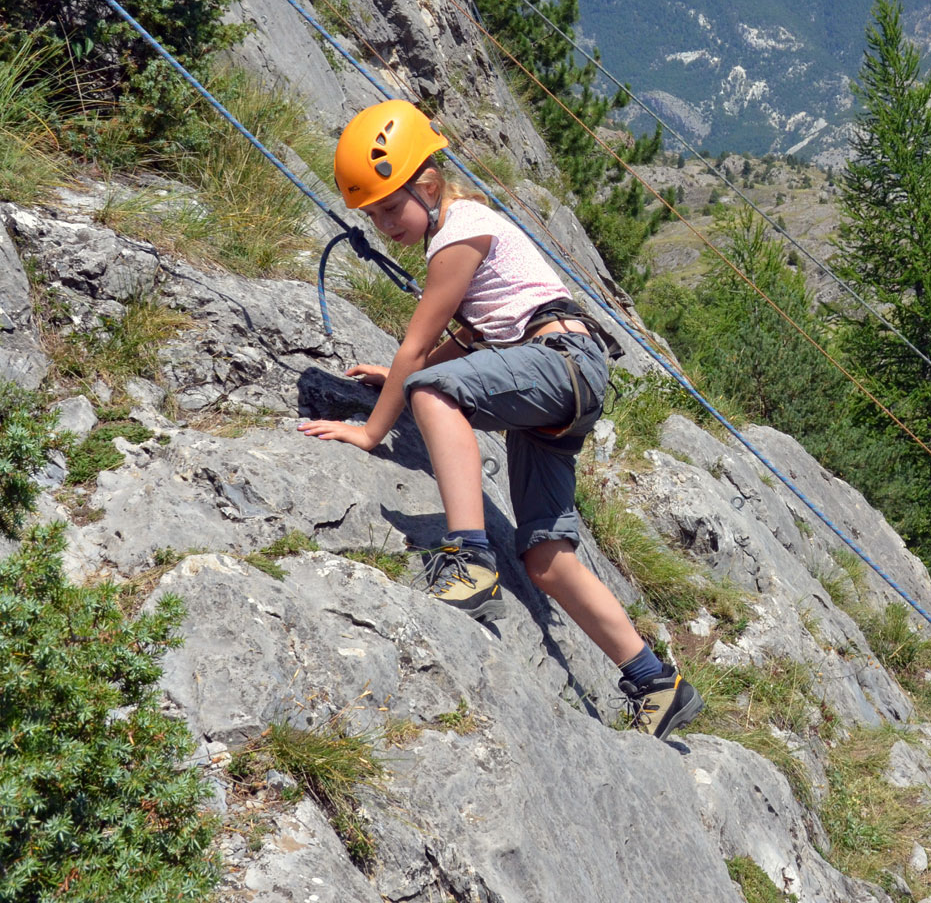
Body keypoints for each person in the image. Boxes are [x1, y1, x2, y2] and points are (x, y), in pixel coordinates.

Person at [298, 101, 704, 740]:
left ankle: (470, 558)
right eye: (370, 216)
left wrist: (373, 428)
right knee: (544, 556)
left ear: (427, 186)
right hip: (567, 375)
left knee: (432, 391)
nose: (382, 226)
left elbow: (419, 348)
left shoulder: (459, 233)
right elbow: (470, 340)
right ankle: (655, 680)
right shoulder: (462, 230)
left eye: (387, 208)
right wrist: (396, 377)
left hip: (559, 361)